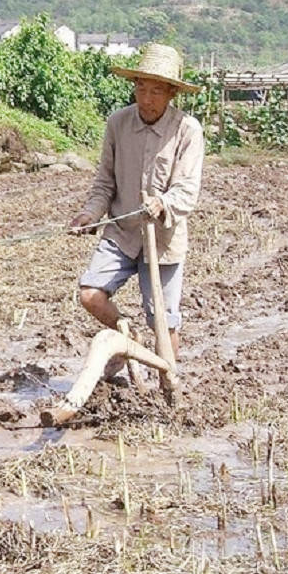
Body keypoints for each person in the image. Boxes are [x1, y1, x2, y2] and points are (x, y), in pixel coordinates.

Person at [70, 43, 204, 377]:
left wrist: (163, 203)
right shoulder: (118, 123)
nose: (146, 98)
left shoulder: (188, 130)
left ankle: (168, 384)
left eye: (156, 91)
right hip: (122, 233)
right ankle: (126, 333)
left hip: (163, 240)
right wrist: (90, 214)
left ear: (172, 93)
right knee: (90, 295)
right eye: (141, 88)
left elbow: (187, 190)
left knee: (164, 321)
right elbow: (105, 182)